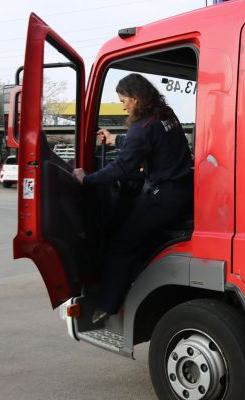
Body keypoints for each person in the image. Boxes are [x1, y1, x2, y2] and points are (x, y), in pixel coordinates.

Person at [72, 73, 193, 324]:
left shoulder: (141, 128)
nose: (123, 105)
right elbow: (145, 141)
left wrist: (87, 179)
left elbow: (122, 168)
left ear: (135, 98)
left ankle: (107, 305)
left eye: (123, 100)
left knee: (121, 246)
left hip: (164, 198)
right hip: (184, 191)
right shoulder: (165, 115)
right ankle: (136, 277)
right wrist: (115, 138)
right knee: (137, 227)